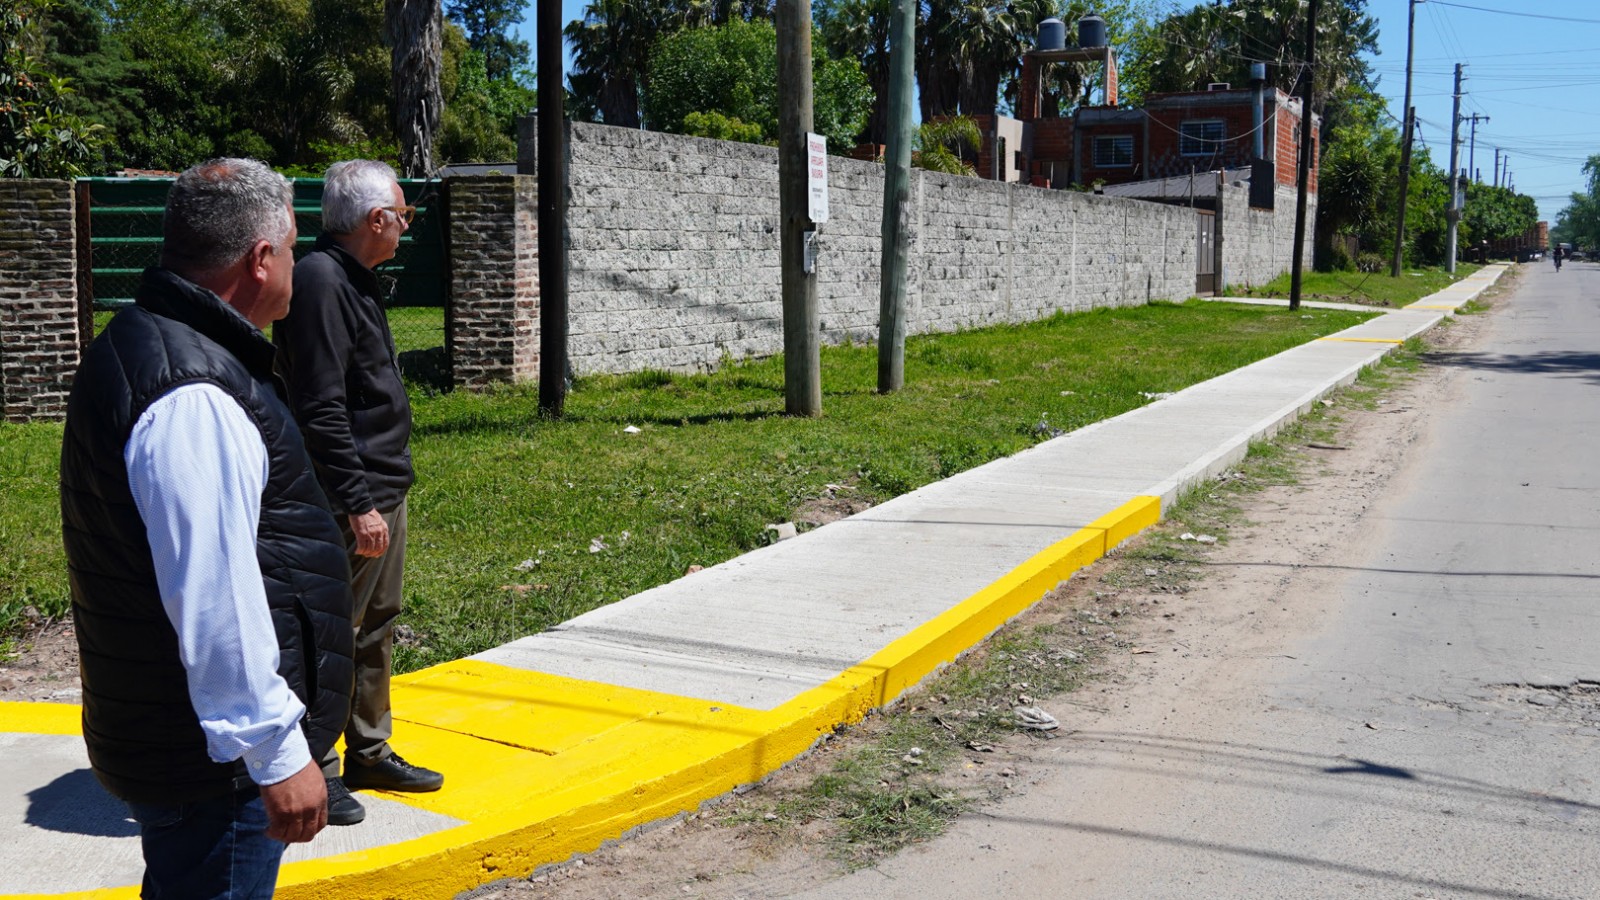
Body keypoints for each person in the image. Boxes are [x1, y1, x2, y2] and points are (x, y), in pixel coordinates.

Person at [60, 159, 355, 897]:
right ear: (260, 261)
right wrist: (276, 753)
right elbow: (214, 593)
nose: (296, 262)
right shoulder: (194, 394)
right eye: (290, 247)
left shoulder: (155, 345)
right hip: (211, 772)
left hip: (183, 748)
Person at [274, 159, 443, 826]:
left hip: (381, 485)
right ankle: (321, 765)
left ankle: (369, 749)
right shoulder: (320, 282)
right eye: (401, 215)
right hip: (352, 496)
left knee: (375, 623)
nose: (405, 225)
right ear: (376, 220)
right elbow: (320, 406)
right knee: (330, 631)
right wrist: (357, 501)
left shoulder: (353, 278)